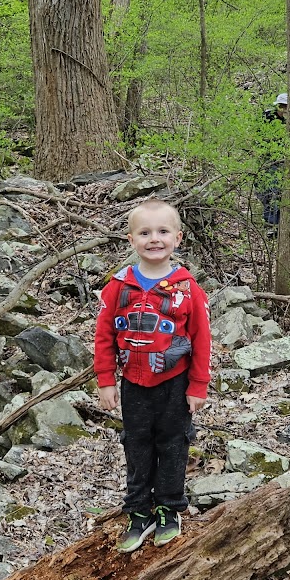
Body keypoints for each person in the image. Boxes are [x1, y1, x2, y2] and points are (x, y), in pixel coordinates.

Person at [94, 198, 211, 551]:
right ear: (132, 240)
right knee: (136, 444)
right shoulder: (118, 286)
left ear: (178, 238)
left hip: (174, 384)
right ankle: (138, 511)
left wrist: (198, 386)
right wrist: (105, 379)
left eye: (162, 231)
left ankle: (170, 508)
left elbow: (202, 339)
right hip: (133, 383)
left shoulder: (188, 288)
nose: (154, 239)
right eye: (145, 232)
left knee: (174, 444)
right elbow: (103, 335)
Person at [258, 92, 288, 233]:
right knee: (266, 192)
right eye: (281, 106)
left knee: (277, 192)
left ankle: (274, 223)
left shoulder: (287, 123)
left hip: (280, 162)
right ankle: (269, 222)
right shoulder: (268, 117)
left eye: (285, 106)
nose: (283, 109)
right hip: (267, 160)